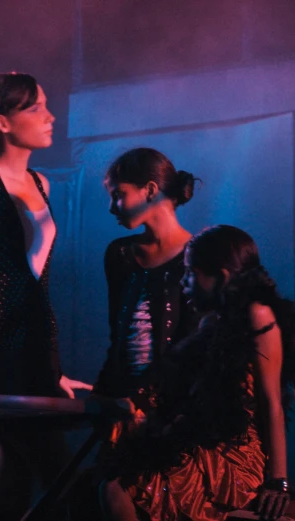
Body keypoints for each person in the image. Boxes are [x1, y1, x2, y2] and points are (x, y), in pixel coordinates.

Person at [99, 225, 295, 521]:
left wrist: (279, 482)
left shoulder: (258, 314)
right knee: (119, 453)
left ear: (222, 277)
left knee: (119, 487)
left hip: (235, 455)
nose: (183, 282)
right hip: (206, 440)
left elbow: (271, 402)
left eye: (191, 273)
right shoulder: (211, 323)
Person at [0, 71, 91, 520]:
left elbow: (38, 278)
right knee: (58, 475)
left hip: (37, 343)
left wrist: (52, 367)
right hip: (0, 344)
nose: (51, 116)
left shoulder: (42, 184)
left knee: (16, 468)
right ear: (3, 122)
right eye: (35, 108)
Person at [94, 147, 201, 407]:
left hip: (174, 408)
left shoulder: (198, 255)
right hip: (122, 404)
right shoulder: (119, 253)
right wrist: (105, 394)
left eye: (119, 195)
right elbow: (118, 337)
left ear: (150, 190)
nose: (111, 208)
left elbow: (195, 344)